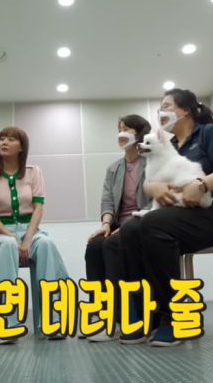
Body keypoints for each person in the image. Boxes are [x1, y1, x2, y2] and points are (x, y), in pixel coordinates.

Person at [118, 89, 213, 347]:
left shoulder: (210, 133)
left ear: (185, 110)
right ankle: (148, 316)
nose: (160, 112)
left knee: (153, 224)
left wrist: (202, 184)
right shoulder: (170, 146)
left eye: (166, 106)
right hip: (180, 214)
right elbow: (150, 180)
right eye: (159, 108)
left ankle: (175, 317)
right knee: (131, 231)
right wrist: (152, 188)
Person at [0, 126, 69, 344]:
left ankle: (51, 323)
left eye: (10, 139)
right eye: (1, 138)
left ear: (21, 147)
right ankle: (3, 326)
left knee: (45, 244)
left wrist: (27, 239)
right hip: (0, 233)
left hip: (31, 231)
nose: (4, 142)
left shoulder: (34, 172)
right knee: (8, 245)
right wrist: (11, 237)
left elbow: (38, 209)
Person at [84, 114, 151, 342]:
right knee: (94, 246)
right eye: (120, 129)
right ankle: (101, 317)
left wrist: (128, 225)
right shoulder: (114, 168)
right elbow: (107, 200)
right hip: (116, 225)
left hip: (143, 222)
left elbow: (156, 201)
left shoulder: (152, 162)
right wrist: (105, 224)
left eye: (128, 129)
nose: (122, 133)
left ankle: (121, 319)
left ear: (140, 133)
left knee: (112, 245)